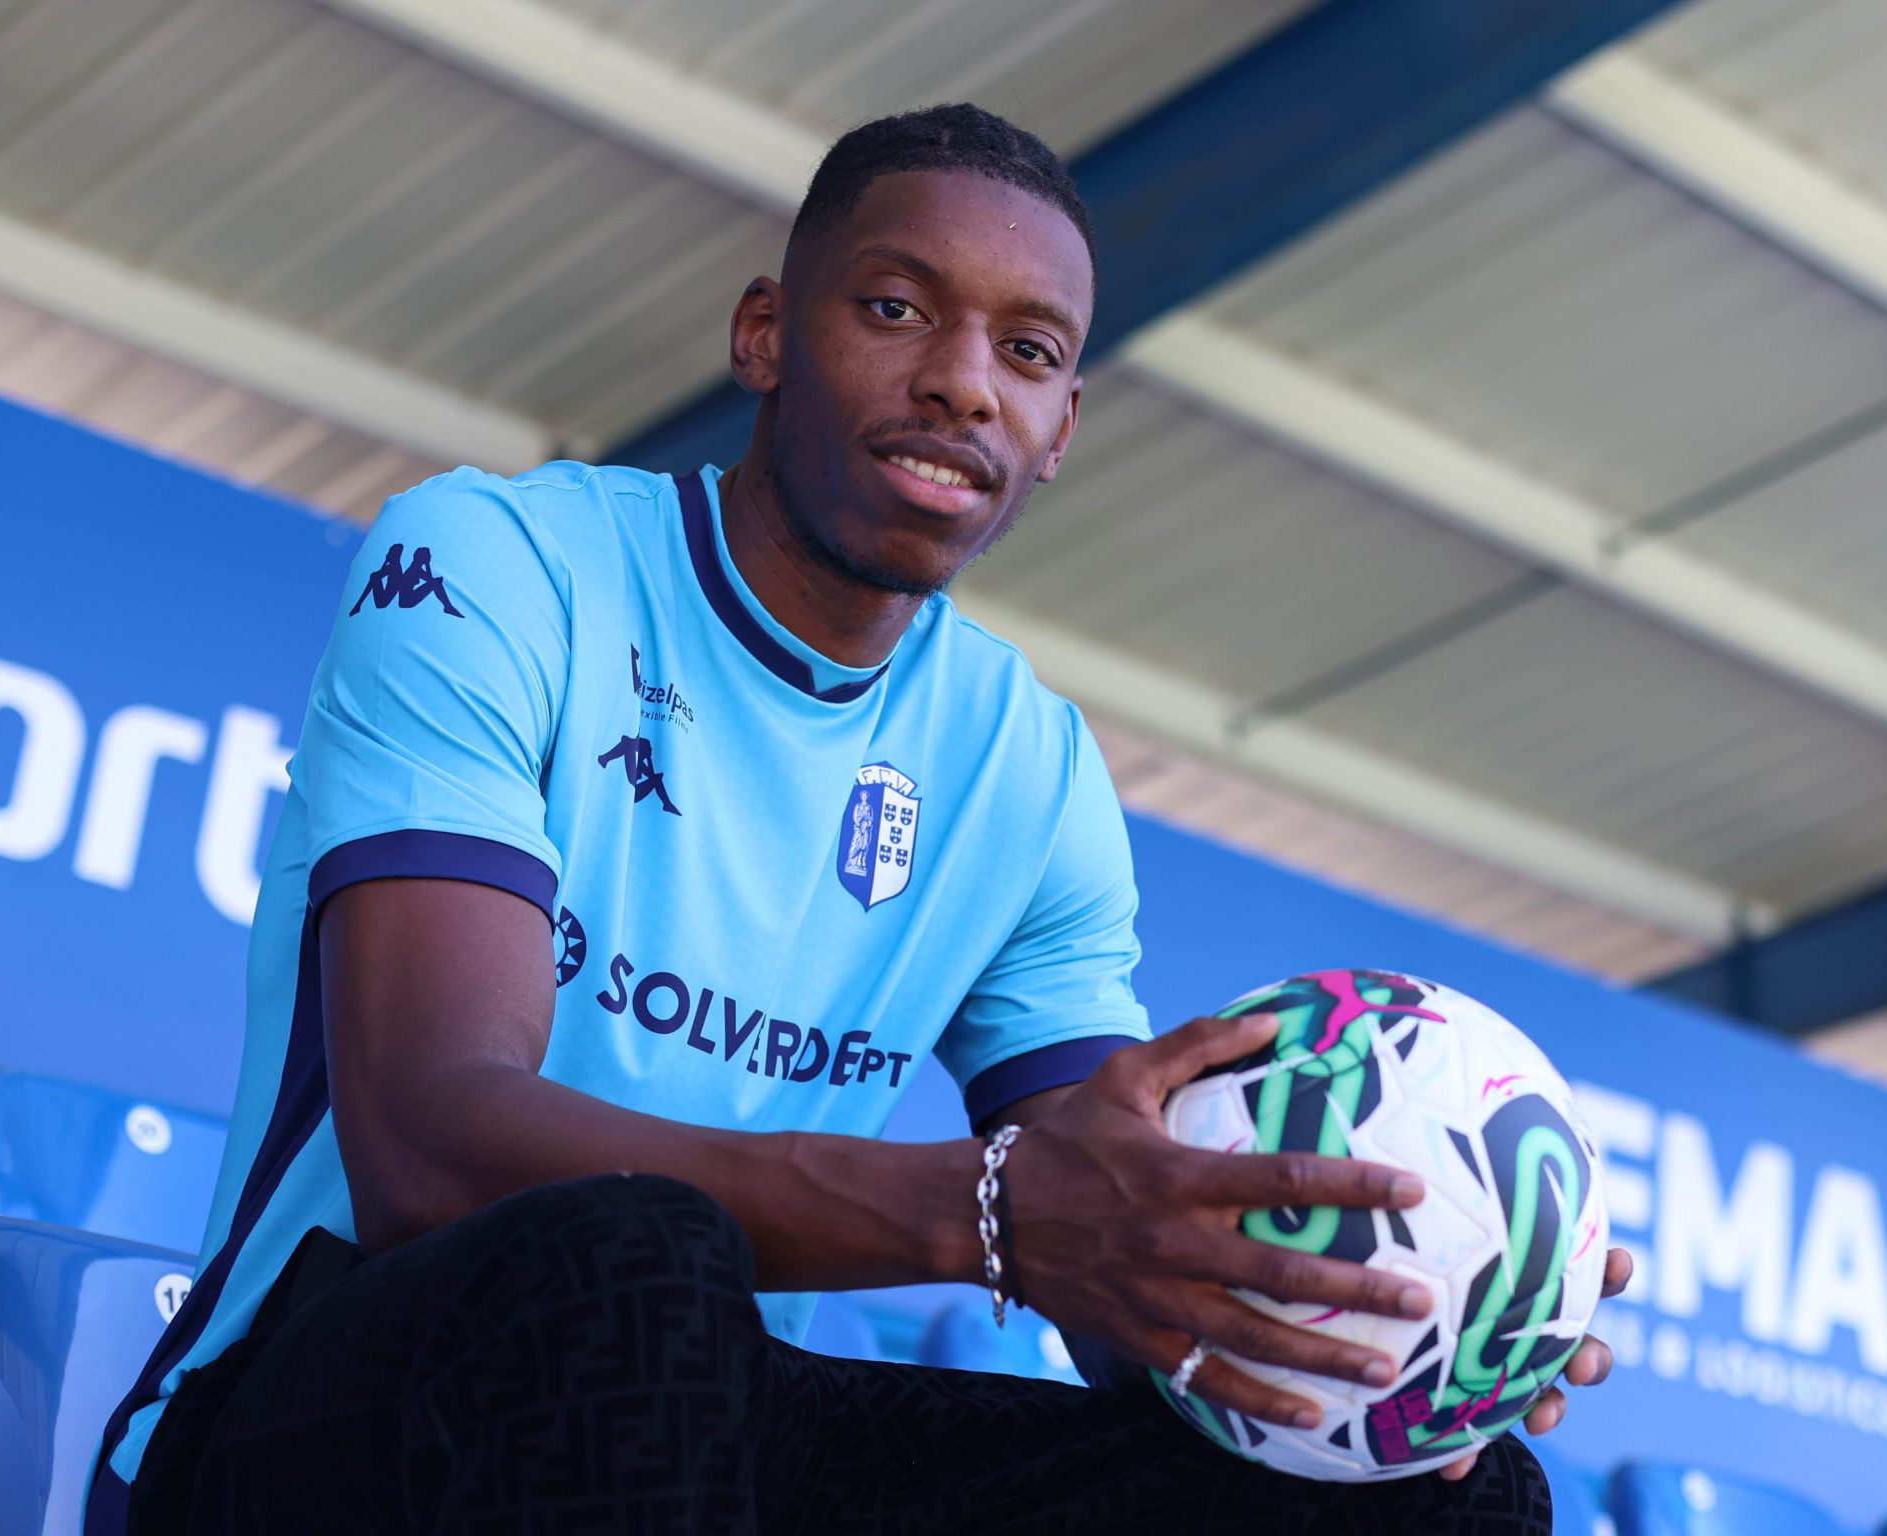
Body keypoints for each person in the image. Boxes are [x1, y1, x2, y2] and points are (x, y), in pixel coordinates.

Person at [88, 103, 1629, 1535]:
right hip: (311, 1414)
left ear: (1061, 428)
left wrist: (1384, 1319)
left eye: (1028, 351)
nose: (964, 381)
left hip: (689, 1434)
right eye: (896, 309)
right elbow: (427, 1151)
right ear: (765, 333)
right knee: (634, 1257)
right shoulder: (501, 563)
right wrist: (990, 1213)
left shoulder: (1029, 768)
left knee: (1438, 1495)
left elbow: (1107, 1240)